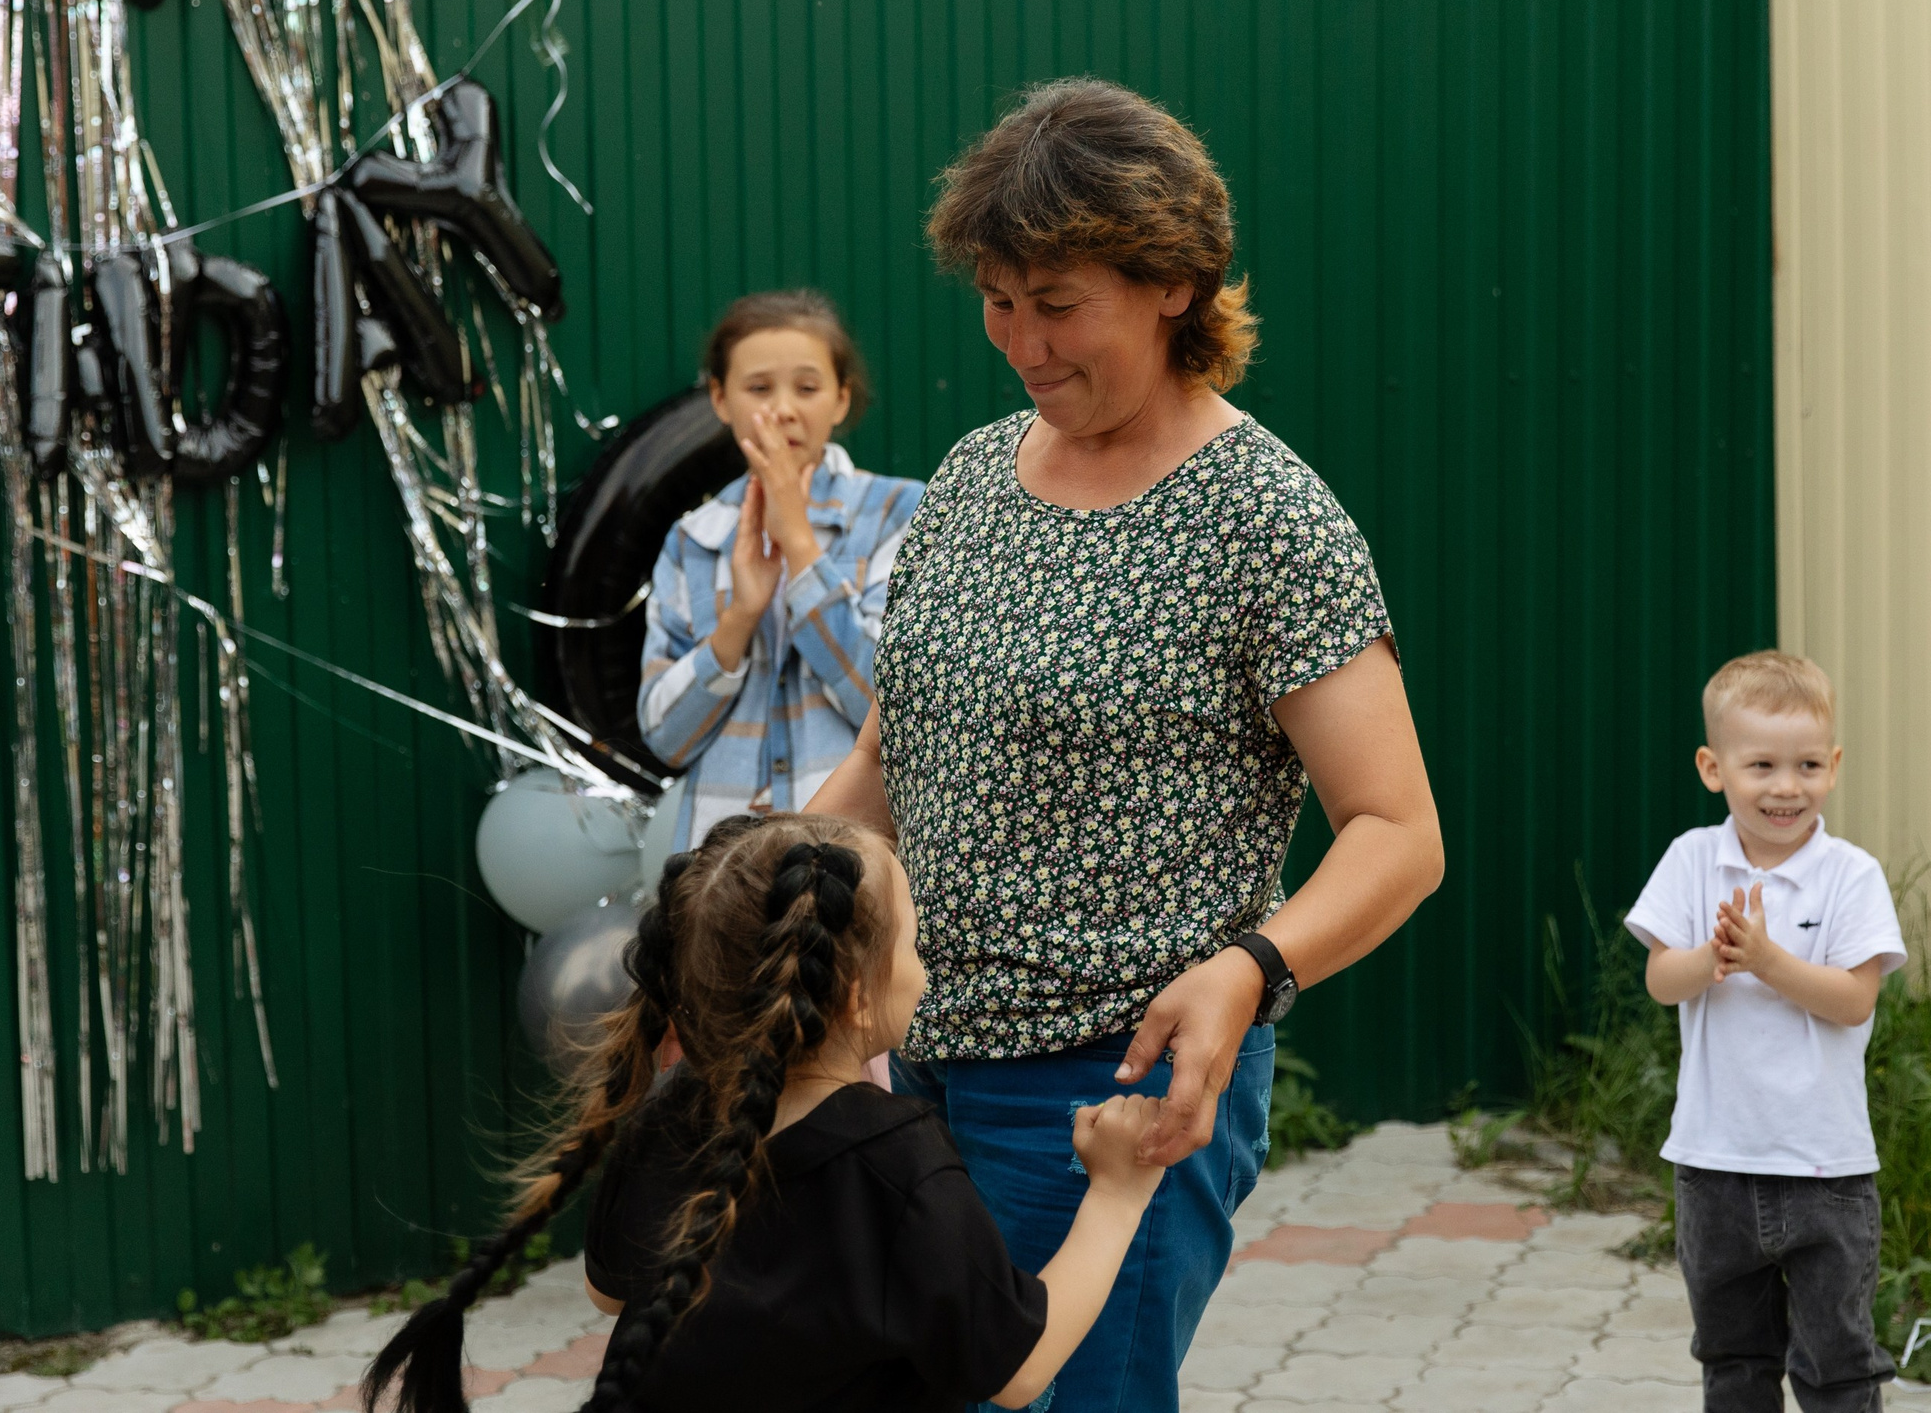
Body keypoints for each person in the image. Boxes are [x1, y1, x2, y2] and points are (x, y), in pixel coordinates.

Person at [808, 77, 1444, 1413]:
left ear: (1173, 283)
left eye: (1057, 301)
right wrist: (766, 909)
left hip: (1113, 1094)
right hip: (910, 1066)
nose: (1021, 341)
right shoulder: (976, 475)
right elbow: (887, 760)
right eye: (997, 297)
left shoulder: (1268, 516)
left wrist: (1249, 966)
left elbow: (1398, 832)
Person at [360, 813, 1170, 1413]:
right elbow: (1020, 1368)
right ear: (856, 994)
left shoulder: (670, 1114)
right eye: (915, 945)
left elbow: (612, 1293)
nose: (924, 967)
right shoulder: (900, 1163)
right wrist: (1117, 1191)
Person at [1624, 651, 1906, 1413]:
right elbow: (1659, 980)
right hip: (1714, 1162)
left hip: (1827, 1168)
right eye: (1763, 765)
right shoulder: (1692, 859)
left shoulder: (1851, 875)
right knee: (1734, 1357)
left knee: (1837, 1361)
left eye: (1808, 763)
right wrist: (1711, 958)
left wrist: (1770, 960)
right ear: (1714, 767)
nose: (1787, 786)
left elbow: (1853, 1000)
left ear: (1835, 765)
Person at [636, 290, 924, 855]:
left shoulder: (899, 514)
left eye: (808, 387)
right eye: (759, 388)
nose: (785, 408)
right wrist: (740, 616)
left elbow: (894, 709)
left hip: (855, 863)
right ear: (721, 399)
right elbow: (666, 739)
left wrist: (799, 546)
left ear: (841, 399)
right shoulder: (694, 539)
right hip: (721, 871)